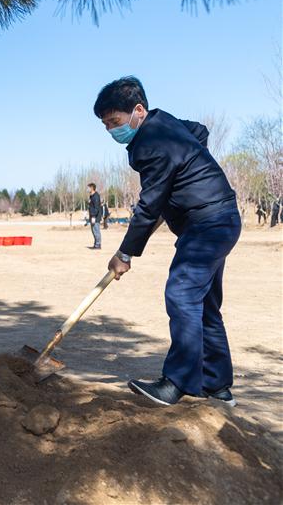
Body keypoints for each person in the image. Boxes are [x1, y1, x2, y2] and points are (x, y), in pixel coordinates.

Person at [95, 76, 241, 407]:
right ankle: (217, 385)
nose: (111, 130)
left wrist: (125, 253)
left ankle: (177, 382)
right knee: (204, 304)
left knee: (182, 295)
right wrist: (189, 170)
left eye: (114, 121)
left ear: (138, 111)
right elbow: (200, 132)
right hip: (222, 219)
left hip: (207, 224)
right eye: (105, 125)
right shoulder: (168, 123)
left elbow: (149, 205)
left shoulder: (151, 143)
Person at [87, 183, 102, 249]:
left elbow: (96, 208)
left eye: (88, 188)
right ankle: (96, 244)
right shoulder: (91, 196)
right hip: (92, 216)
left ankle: (98, 244)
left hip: (95, 216)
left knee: (96, 230)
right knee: (93, 230)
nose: (87, 189)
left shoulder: (96, 196)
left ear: (92, 188)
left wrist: (93, 216)